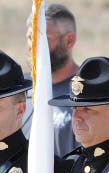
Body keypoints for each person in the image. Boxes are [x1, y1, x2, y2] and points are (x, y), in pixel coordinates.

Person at [23, 3, 79, 155]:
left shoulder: (86, 94)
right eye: (30, 38)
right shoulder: (22, 92)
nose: (33, 47)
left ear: (69, 41)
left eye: (42, 39)